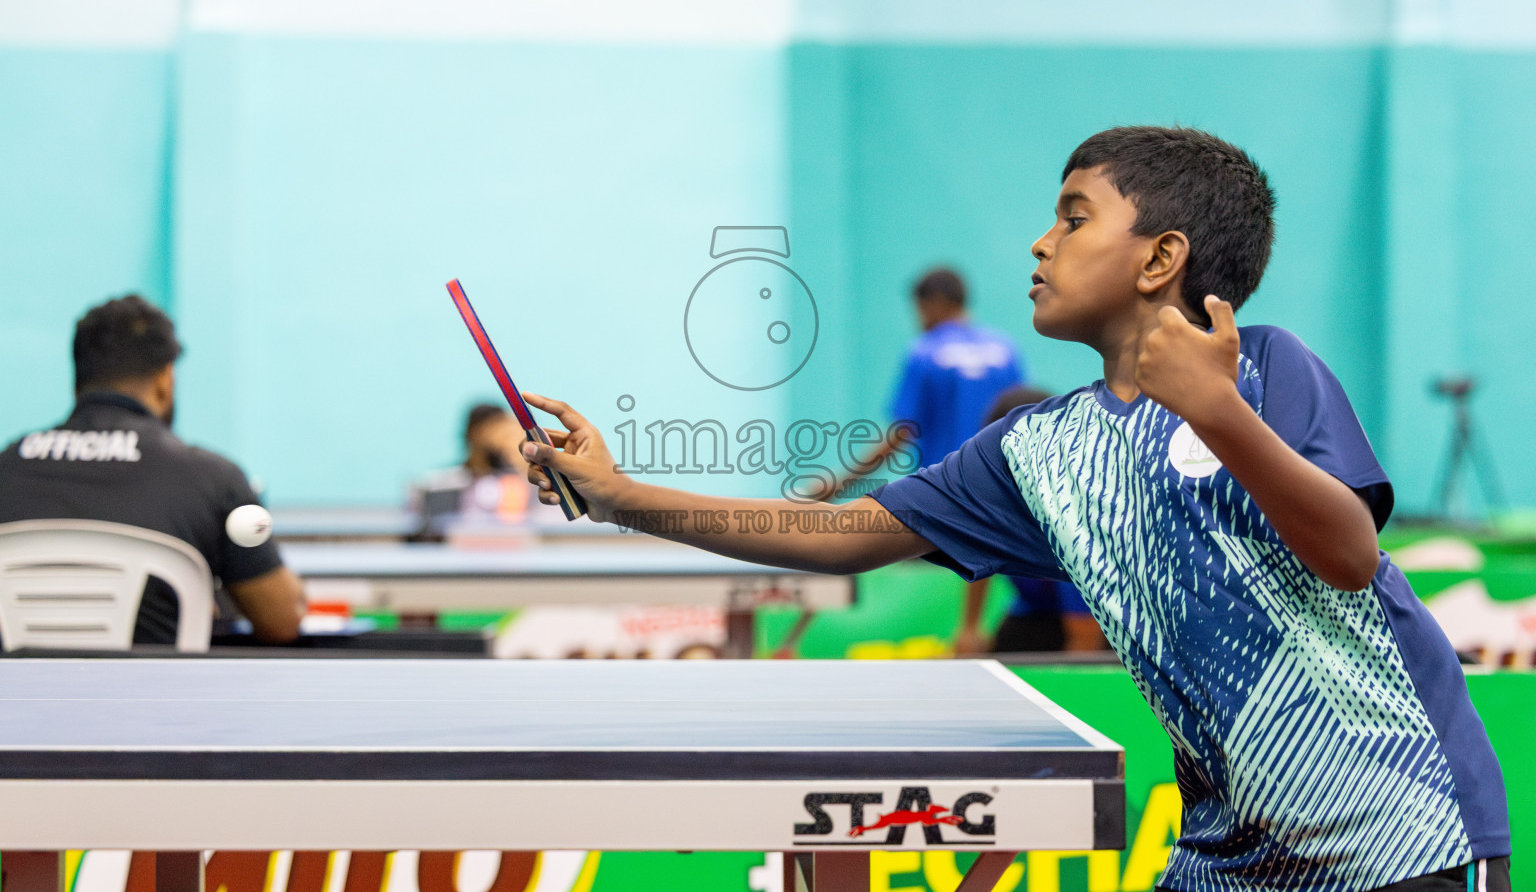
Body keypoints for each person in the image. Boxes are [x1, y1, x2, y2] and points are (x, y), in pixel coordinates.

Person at [515, 126, 1510, 892]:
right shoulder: (1036, 448)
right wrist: (621, 496)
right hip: (1225, 854)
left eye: (1074, 217)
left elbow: (1347, 551)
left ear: (1160, 258)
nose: (1040, 241)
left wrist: (1215, 409)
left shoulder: (1268, 369)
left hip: (1404, 835)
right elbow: (839, 537)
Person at [0, 295, 304, 645]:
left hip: (19, 698)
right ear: (165, 381)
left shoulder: (5, 466)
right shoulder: (214, 480)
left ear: (78, 381)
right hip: (160, 699)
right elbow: (282, 620)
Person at [831, 268, 1026, 497]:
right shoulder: (1006, 349)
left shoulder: (925, 352)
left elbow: (901, 433)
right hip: (998, 492)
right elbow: (1020, 421)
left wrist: (839, 483)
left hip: (943, 492)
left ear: (934, 303)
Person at [953, 385, 1108, 655]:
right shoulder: (994, 498)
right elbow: (980, 550)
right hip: (1032, 612)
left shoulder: (1074, 518)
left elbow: (1084, 647)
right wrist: (970, 627)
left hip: (1101, 622)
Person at [408, 403, 557, 535]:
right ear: (474, 433)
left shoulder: (522, 484)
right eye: (501, 433)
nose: (503, 440)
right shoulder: (438, 483)